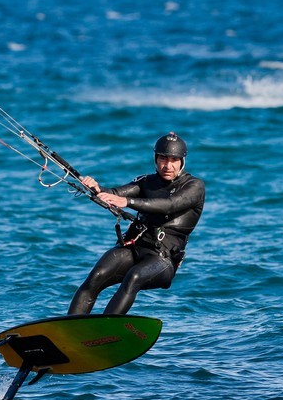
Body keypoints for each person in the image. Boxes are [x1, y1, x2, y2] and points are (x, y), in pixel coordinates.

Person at [68, 133, 205, 317]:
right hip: (135, 247)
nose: (168, 165)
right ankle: (69, 329)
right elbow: (114, 193)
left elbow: (170, 204)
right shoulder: (146, 181)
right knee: (97, 276)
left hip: (162, 259)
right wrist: (96, 188)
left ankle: (105, 331)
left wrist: (127, 202)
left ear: (182, 162)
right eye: (163, 158)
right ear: (156, 159)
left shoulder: (193, 186)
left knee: (133, 277)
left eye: (174, 160)